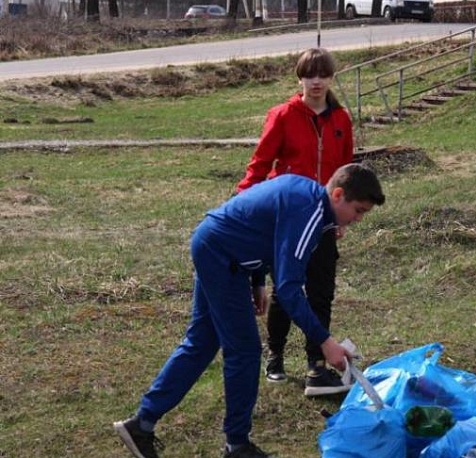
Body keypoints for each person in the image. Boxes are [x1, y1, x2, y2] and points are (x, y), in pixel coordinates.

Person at [113, 164, 385, 458]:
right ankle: (237, 445)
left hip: (215, 244)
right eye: (358, 210)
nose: (357, 220)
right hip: (222, 256)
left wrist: (256, 281)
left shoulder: (308, 198)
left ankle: (142, 423)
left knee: (202, 342)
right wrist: (324, 341)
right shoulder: (309, 211)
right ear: (338, 194)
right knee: (244, 350)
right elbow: (290, 289)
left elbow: (262, 228)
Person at [235, 48, 356, 396]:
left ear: (331, 78)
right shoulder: (283, 115)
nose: (316, 82)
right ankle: (274, 355)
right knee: (287, 289)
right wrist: (244, 204)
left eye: (322, 75)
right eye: (309, 75)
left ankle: (316, 362)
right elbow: (259, 164)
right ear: (299, 78)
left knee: (321, 291)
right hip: (286, 220)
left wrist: (343, 216)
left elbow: (346, 170)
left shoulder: (341, 120)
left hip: (325, 220)